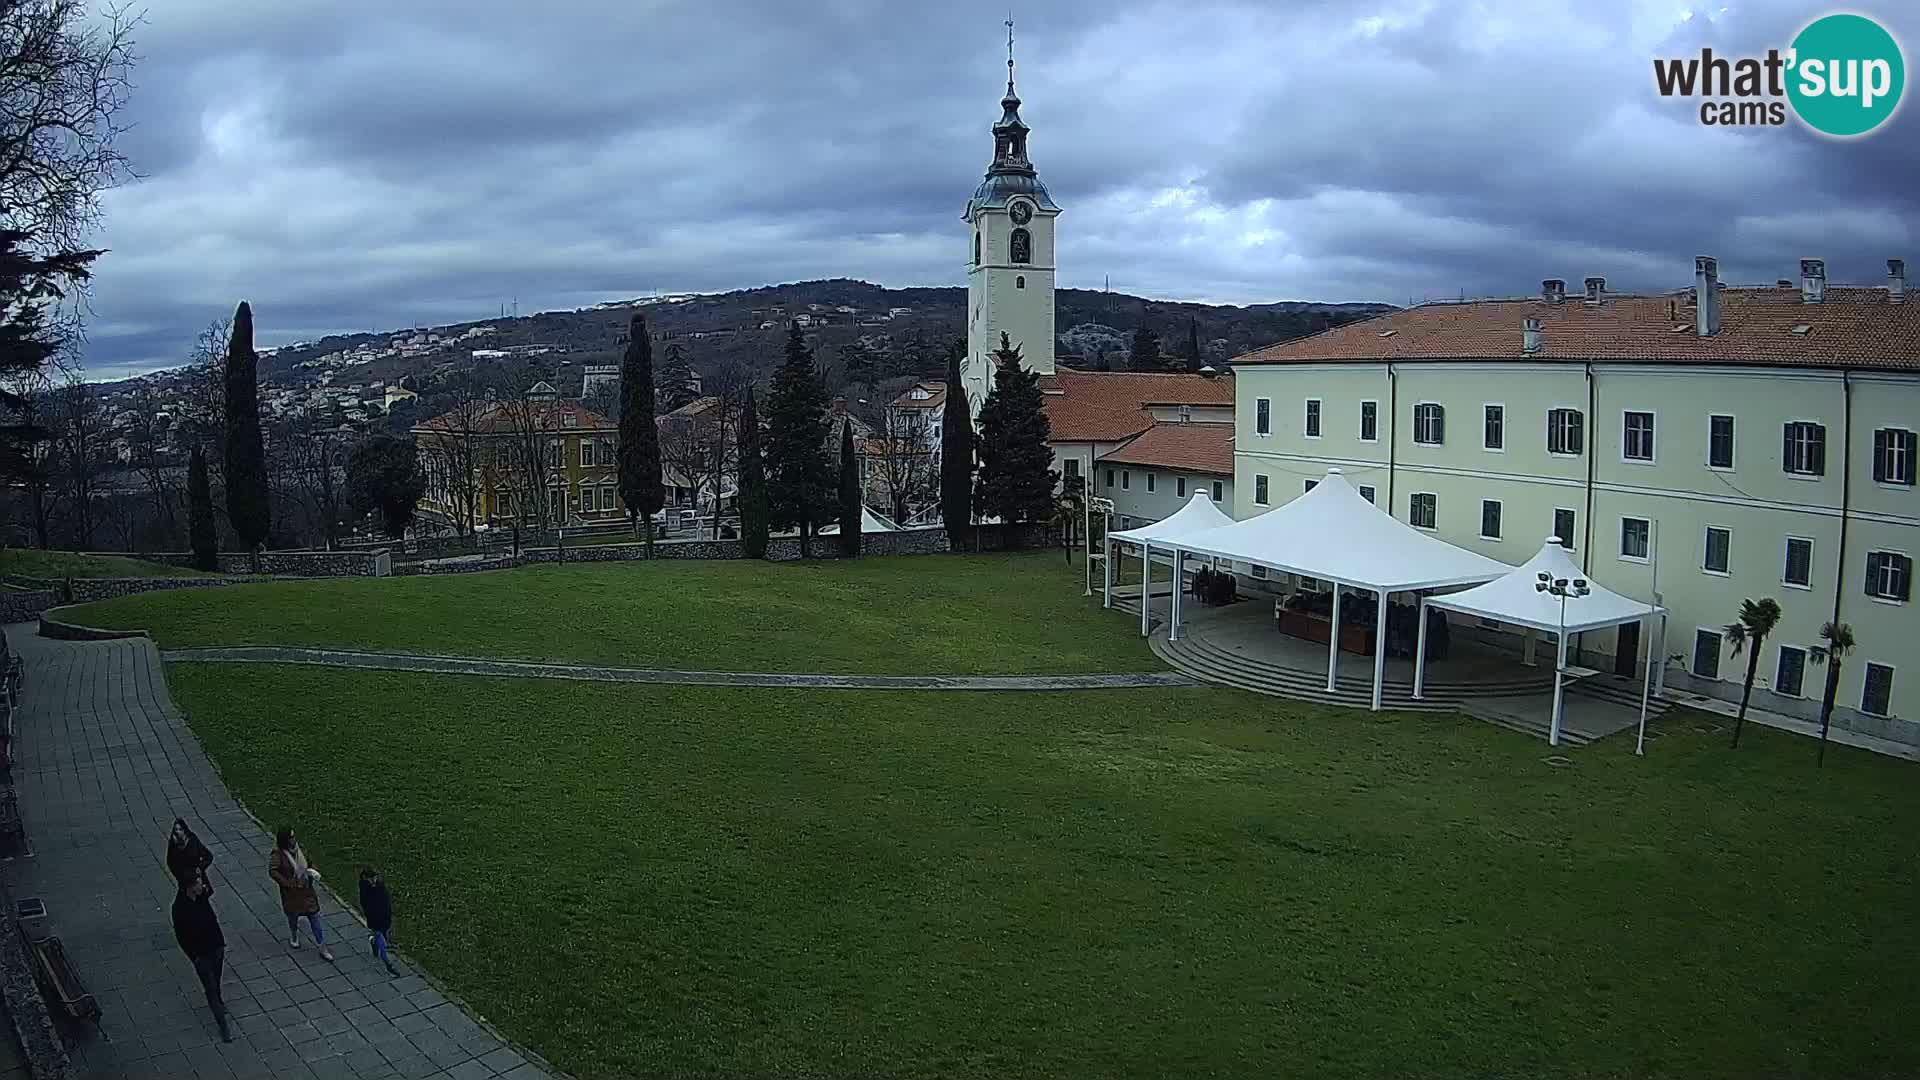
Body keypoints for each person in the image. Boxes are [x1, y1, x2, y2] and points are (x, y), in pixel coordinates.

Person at [171, 871, 233, 1042]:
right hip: (202, 955)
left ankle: (219, 1001)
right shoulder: (179, 909)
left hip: (216, 947)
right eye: (198, 883)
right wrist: (194, 957)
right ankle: (223, 1025)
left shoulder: (202, 896)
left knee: (217, 980)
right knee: (210, 988)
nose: (202, 885)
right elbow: (181, 937)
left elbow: (208, 889)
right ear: (189, 888)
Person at [268, 826, 333, 962]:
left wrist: (312, 870)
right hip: (292, 893)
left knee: (314, 917)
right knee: (293, 916)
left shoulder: (299, 849)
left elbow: (308, 862)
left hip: (306, 890)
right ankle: (294, 935)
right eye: (290, 837)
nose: (293, 839)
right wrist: (287, 883)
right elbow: (273, 871)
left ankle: (322, 947)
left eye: (293, 836)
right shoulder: (278, 854)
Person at [358, 868, 398, 976]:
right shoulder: (365, 889)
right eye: (371, 878)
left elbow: (386, 900)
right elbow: (365, 905)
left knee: (383, 935)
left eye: (374, 877)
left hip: (384, 917)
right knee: (382, 942)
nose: (374, 879)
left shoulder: (380, 886)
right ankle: (388, 964)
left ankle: (373, 941)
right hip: (375, 919)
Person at [165, 818, 213, 893]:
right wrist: (179, 877)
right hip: (185, 883)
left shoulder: (192, 840)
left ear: (184, 830)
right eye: (176, 830)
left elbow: (208, 856)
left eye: (180, 829)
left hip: (198, 880)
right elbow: (170, 862)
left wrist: (200, 867)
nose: (178, 832)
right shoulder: (173, 845)